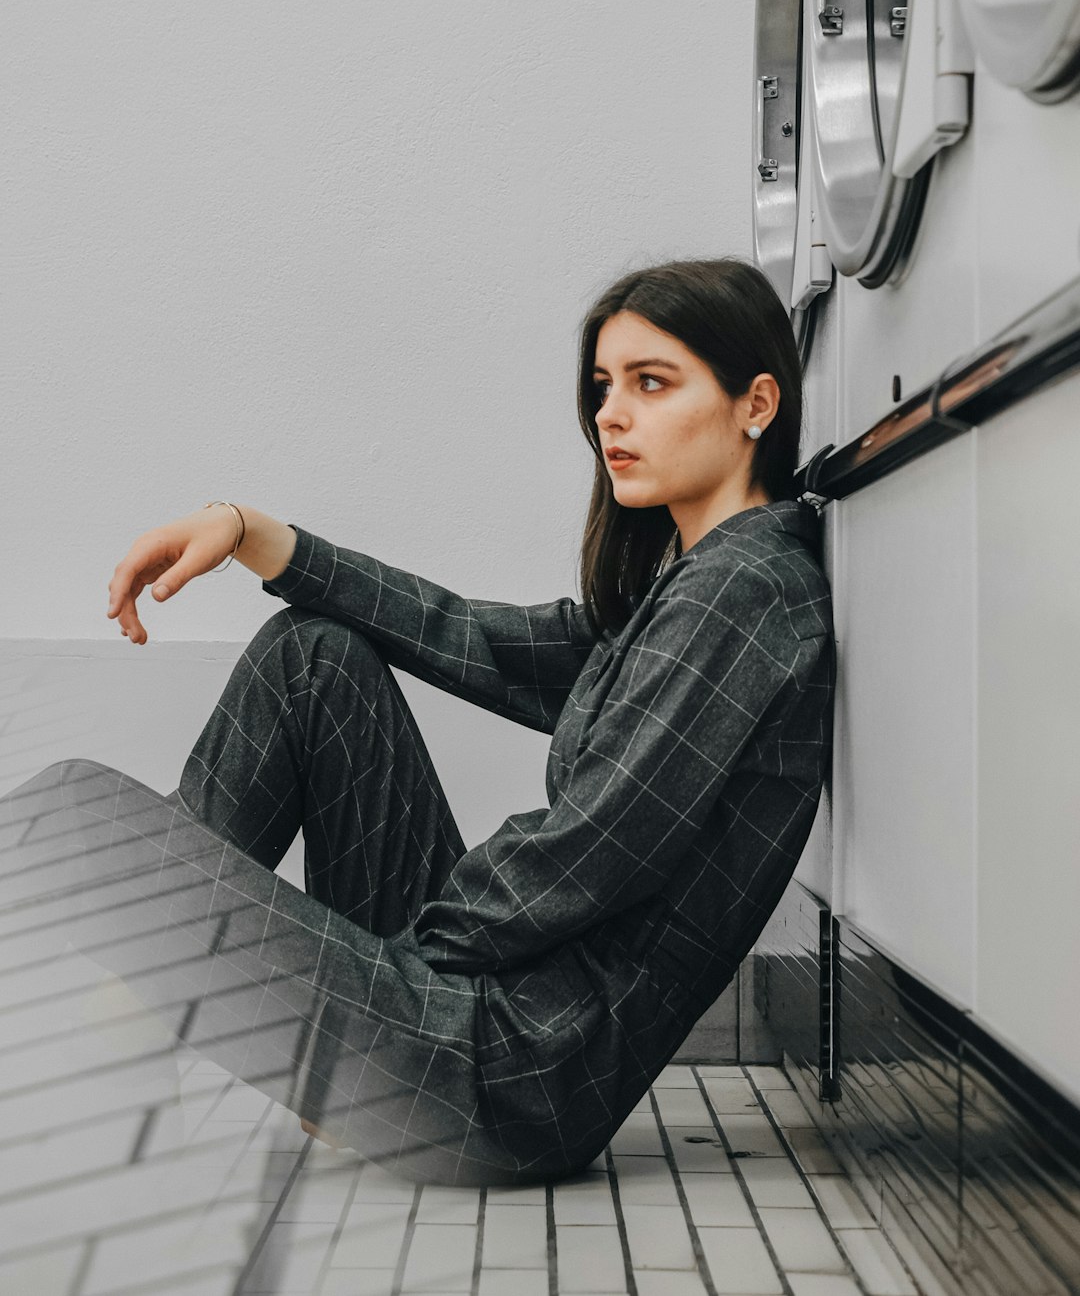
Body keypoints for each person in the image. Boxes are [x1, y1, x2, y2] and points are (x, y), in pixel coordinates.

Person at [7, 255, 835, 1188]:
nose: (610, 414)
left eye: (652, 383)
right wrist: (251, 531)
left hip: (503, 1079)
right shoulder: (686, 588)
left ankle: (118, 996)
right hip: (482, 1023)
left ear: (754, 404)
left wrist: (363, 983)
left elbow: (588, 852)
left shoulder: (747, 593)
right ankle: (130, 990)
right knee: (314, 656)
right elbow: (470, 637)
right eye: (605, 386)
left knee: (69, 813)